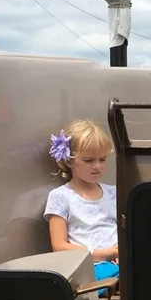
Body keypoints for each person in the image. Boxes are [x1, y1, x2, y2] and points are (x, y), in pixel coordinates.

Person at [43, 119, 119, 283]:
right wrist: (105, 254)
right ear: (69, 160)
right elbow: (59, 246)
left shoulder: (113, 193)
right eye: (89, 160)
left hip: (120, 262)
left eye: (103, 159)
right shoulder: (61, 197)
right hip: (90, 268)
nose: (97, 166)